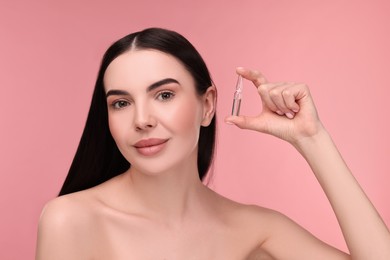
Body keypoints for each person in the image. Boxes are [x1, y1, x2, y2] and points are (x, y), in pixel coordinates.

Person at [35, 27, 390, 259]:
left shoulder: (257, 230)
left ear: (207, 106)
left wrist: (312, 139)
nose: (141, 119)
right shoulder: (71, 220)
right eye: (121, 103)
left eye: (163, 95)